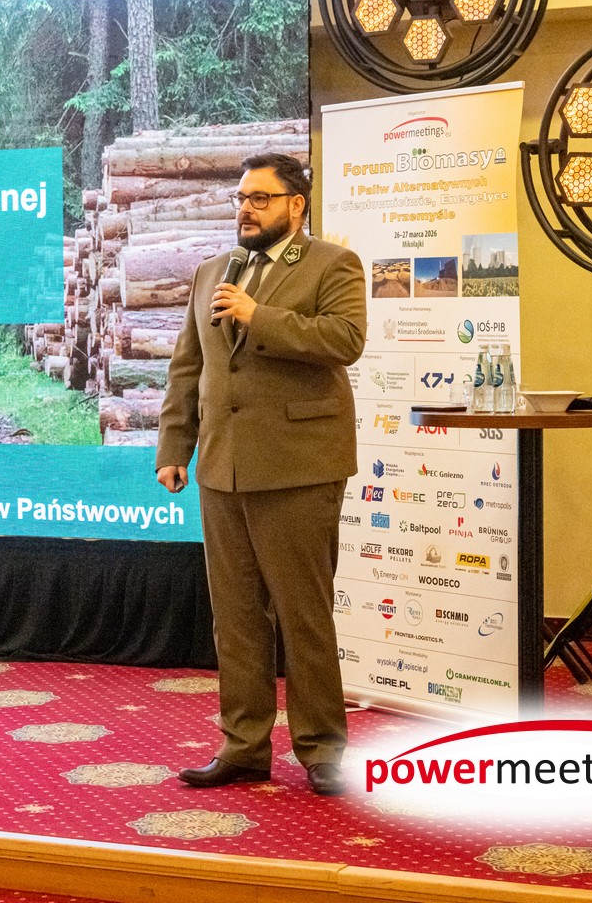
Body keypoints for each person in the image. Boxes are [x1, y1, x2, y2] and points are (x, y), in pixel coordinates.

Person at [156, 152, 366, 797]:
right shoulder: (211, 272)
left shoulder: (333, 264)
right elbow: (188, 367)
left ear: (295, 205)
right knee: (237, 618)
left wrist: (257, 315)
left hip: (299, 467)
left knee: (304, 617)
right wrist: (174, 447)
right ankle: (243, 746)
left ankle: (321, 748)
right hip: (223, 467)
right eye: (241, 198)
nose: (245, 209)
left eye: (261, 199)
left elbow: (345, 340)